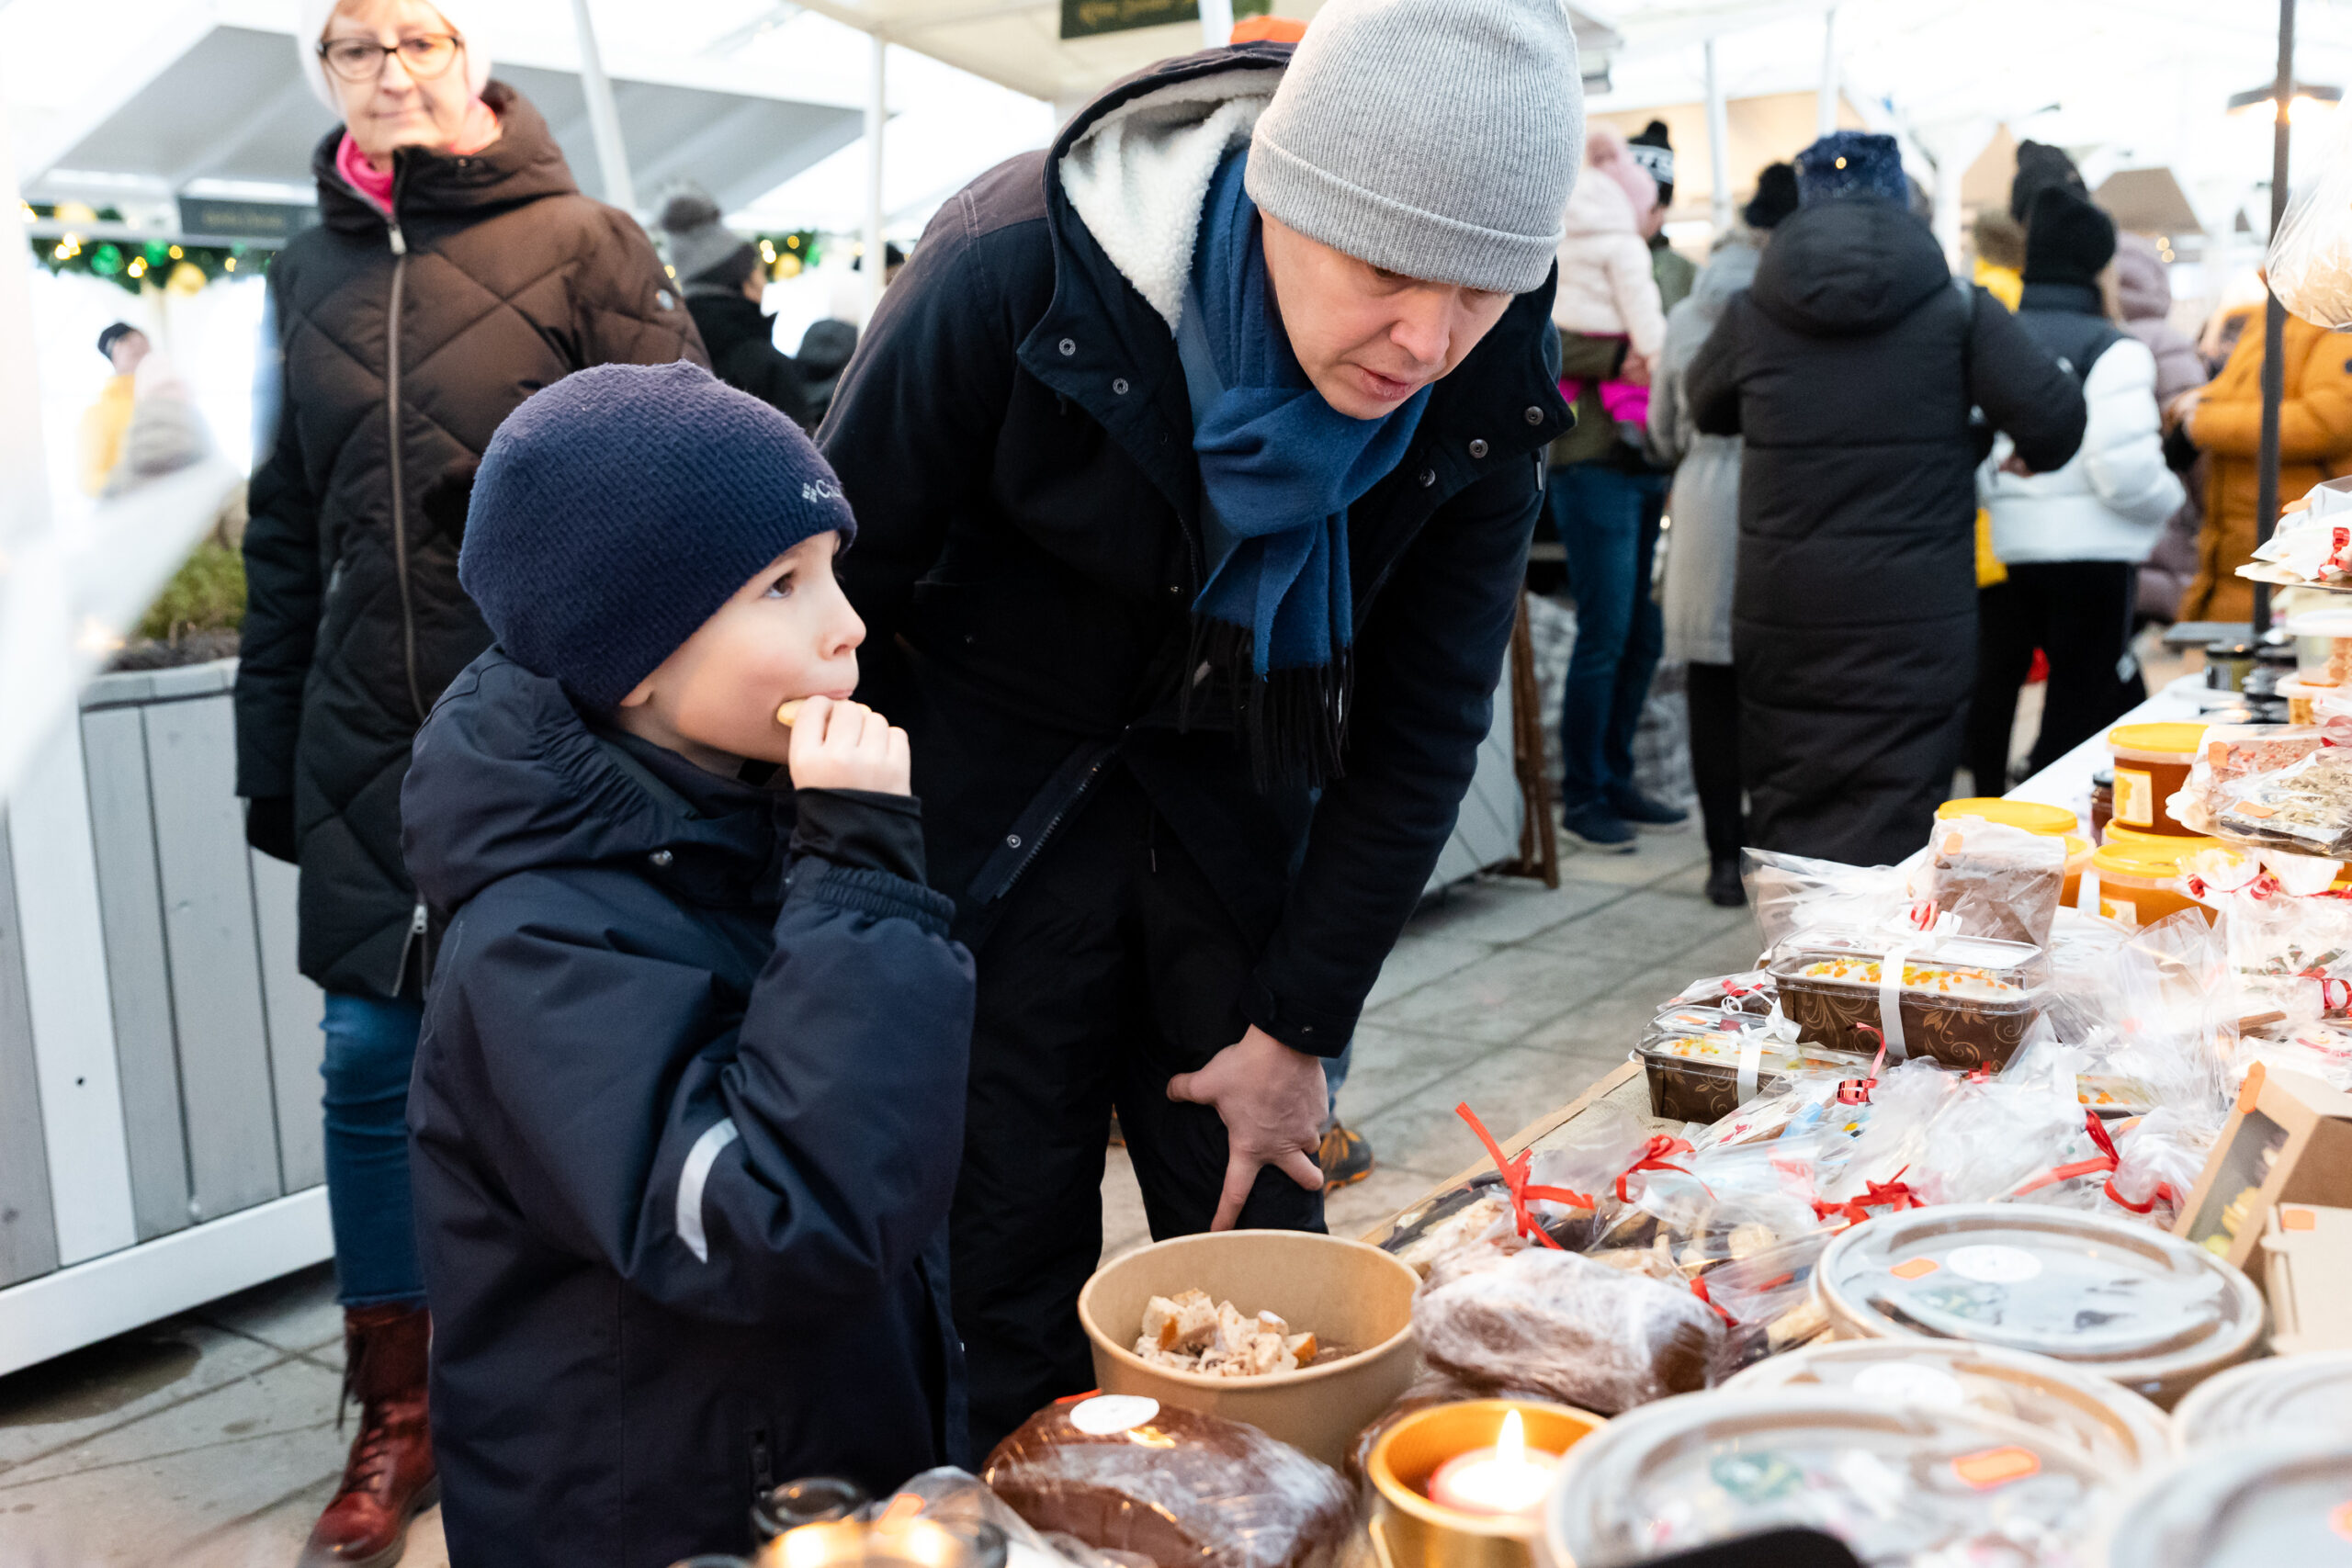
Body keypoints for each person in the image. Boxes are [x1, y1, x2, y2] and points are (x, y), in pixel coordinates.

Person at [820, 0, 1582, 1454]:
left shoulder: (1487, 372)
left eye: (1481, 292)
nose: (1425, 341)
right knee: (992, 1285)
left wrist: (1301, 1025)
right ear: (1289, 194)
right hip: (981, 816)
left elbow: (1421, 728)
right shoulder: (1014, 264)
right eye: (1386, 272)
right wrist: (843, 914)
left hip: (1239, 829)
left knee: (1275, 1302)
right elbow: (831, 590)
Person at [232, 0, 702, 1560]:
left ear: (474, 58)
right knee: (373, 1064)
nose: (391, 71)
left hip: (558, 730)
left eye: (418, 36)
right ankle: (403, 1409)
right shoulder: (301, 277)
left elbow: (695, 478)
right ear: (328, 79)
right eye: (355, 46)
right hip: (367, 737)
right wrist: (272, 761)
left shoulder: (587, 238)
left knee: (585, 1051)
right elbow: (288, 533)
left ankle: (611, 1377)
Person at [401, 362, 972, 1568]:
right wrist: (862, 871)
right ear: (633, 661)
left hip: (810, 1476)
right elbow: (782, 1214)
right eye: (781, 583)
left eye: (831, 567)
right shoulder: (538, 937)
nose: (847, 621)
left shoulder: (752, 819)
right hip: (656, 1516)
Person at [1685, 131, 2086, 866]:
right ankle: (1889, 969)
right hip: (1916, 615)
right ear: (1903, 200)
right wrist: (2000, 440)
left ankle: (1800, 961)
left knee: (1789, 798)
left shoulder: (1753, 312)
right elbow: (2056, 418)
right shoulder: (1958, 310)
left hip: (1788, 610)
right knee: (1906, 806)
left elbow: (1705, 406)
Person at [1968, 187, 2183, 788]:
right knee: (2082, 698)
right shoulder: (2112, 348)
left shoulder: (1998, 335)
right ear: (2099, 263)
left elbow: (1977, 449)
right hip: (2096, 552)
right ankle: (2052, 824)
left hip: (2015, 548)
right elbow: (2124, 471)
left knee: (2012, 689)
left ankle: (2001, 810)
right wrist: (2171, 498)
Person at [1649, 162, 1797, 908]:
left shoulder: (1687, 317)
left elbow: (1663, 429)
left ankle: (1718, 859)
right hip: (1784, 496)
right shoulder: (1797, 307)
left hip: (1706, 498)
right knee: (1777, 689)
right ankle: (1775, 851)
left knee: (1710, 689)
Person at [1547, 125, 1692, 852]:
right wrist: (1619, 355)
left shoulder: (1676, 268)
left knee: (1643, 631)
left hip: (1649, 464)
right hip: (1590, 458)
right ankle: (1584, 792)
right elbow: (1546, 336)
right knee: (1604, 631)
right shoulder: (1570, 250)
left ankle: (1615, 773)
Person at [2173, 290, 2352, 622]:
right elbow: (2238, 386)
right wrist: (2200, 401)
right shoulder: (2275, 311)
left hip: (2300, 550)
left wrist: (2206, 422)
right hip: (2244, 547)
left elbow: (2326, 421)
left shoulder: (2336, 315)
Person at [2114, 232, 2209, 623]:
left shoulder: (2101, 337)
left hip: (2113, 519)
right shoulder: (2170, 344)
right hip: (2167, 510)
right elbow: (2193, 430)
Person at [662, 190, 815, 426]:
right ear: (742, 283)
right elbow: (808, 450)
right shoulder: (764, 363)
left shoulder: (668, 350)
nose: (765, 284)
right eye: (758, 273)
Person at [79, 321, 150, 495]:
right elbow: (90, 479)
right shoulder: (98, 413)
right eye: (126, 342)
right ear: (113, 353)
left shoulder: (167, 399)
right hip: (130, 509)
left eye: (142, 343)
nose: (136, 347)